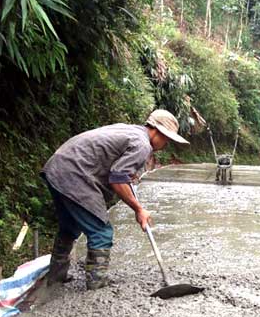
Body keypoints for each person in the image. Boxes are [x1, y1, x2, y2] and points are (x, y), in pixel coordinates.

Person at [41, 109, 189, 290]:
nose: (165, 144)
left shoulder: (129, 131)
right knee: (101, 232)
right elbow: (117, 180)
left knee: (70, 226)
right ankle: (96, 285)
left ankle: (56, 279)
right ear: (157, 131)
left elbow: (118, 170)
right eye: (166, 139)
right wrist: (138, 209)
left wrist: (128, 179)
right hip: (75, 174)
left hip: (56, 168)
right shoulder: (142, 145)